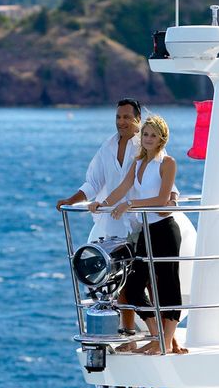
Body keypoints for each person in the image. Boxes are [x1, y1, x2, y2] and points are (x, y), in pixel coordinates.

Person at [56, 99, 178, 340]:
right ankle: (129, 330)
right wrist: (75, 199)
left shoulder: (147, 143)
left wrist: (170, 201)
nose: (121, 122)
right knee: (120, 279)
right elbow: (96, 182)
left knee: (153, 282)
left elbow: (166, 182)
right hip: (114, 221)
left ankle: (165, 336)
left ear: (137, 118)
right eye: (118, 117)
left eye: (126, 117)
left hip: (140, 224)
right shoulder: (108, 146)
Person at [90, 115, 186, 355]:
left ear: (162, 138)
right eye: (145, 134)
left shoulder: (167, 163)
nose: (148, 139)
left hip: (165, 231)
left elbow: (163, 200)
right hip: (147, 232)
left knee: (168, 288)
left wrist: (130, 204)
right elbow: (122, 188)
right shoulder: (137, 162)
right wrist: (101, 203)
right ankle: (157, 337)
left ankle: (165, 341)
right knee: (132, 288)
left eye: (153, 135)